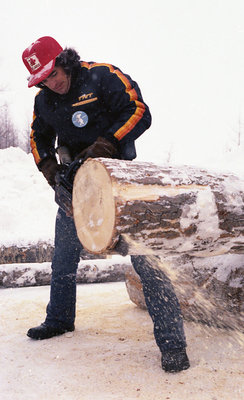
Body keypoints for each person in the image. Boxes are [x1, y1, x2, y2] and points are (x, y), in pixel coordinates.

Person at [22, 36, 190, 373]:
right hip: (77, 188)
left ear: (64, 60)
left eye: (54, 74)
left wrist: (106, 144)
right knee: (63, 259)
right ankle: (58, 319)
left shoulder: (102, 75)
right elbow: (37, 139)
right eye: (43, 81)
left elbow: (139, 110)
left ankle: (173, 344)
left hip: (122, 184)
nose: (52, 84)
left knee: (147, 265)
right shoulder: (44, 102)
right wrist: (52, 172)